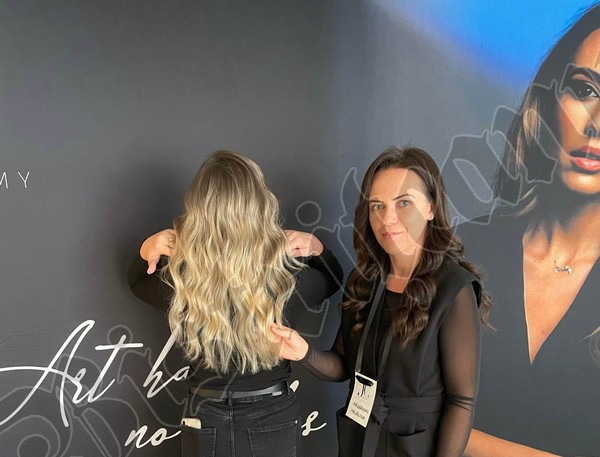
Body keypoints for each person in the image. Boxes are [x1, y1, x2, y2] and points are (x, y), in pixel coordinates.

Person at [271, 146, 492, 457]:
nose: (387, 219)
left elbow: (461, 401)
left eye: (404, 203)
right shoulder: (364, 280)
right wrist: (304, 353)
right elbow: (343, 366)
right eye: (377, 205)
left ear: (431, 207)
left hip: (415, 447)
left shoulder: (453, 288)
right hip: (360, 439)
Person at [127, 150, 343, 457]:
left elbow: (137, 282)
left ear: (198, 210)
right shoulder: (289, 278)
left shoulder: (182, 279)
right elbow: (333, 279)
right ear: (261, 205)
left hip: (204, 415)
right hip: (272, 413)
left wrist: (146, 248)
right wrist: (318, 248)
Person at [459, 5, 600, 456]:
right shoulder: (463, 250)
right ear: (549, 98)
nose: (594, 123)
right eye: (584, 89)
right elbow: (408, 410)